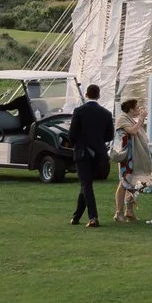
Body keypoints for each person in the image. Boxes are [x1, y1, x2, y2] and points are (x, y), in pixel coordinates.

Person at [68, 83, 114, 228]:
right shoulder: (106, 114)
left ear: (86, 95)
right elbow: (109, 136)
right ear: (99, 96)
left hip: (82, 152)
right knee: (86, 184)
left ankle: (93, 217)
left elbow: (72, 134)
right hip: (99, 154)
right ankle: (76, 216)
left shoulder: (79, 111)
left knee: (86, 184)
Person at [113, 98, 152, 224]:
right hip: (127, 156)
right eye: (136, 108)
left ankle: (128, 211)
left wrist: (140, 119)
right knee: (124, 182)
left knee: (135, 181)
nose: (138, 110)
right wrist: (141, 118)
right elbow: (133, 131)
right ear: (130, 109)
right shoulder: (122, 119)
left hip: (134, 155)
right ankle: (118, 212)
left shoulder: (128, 119)